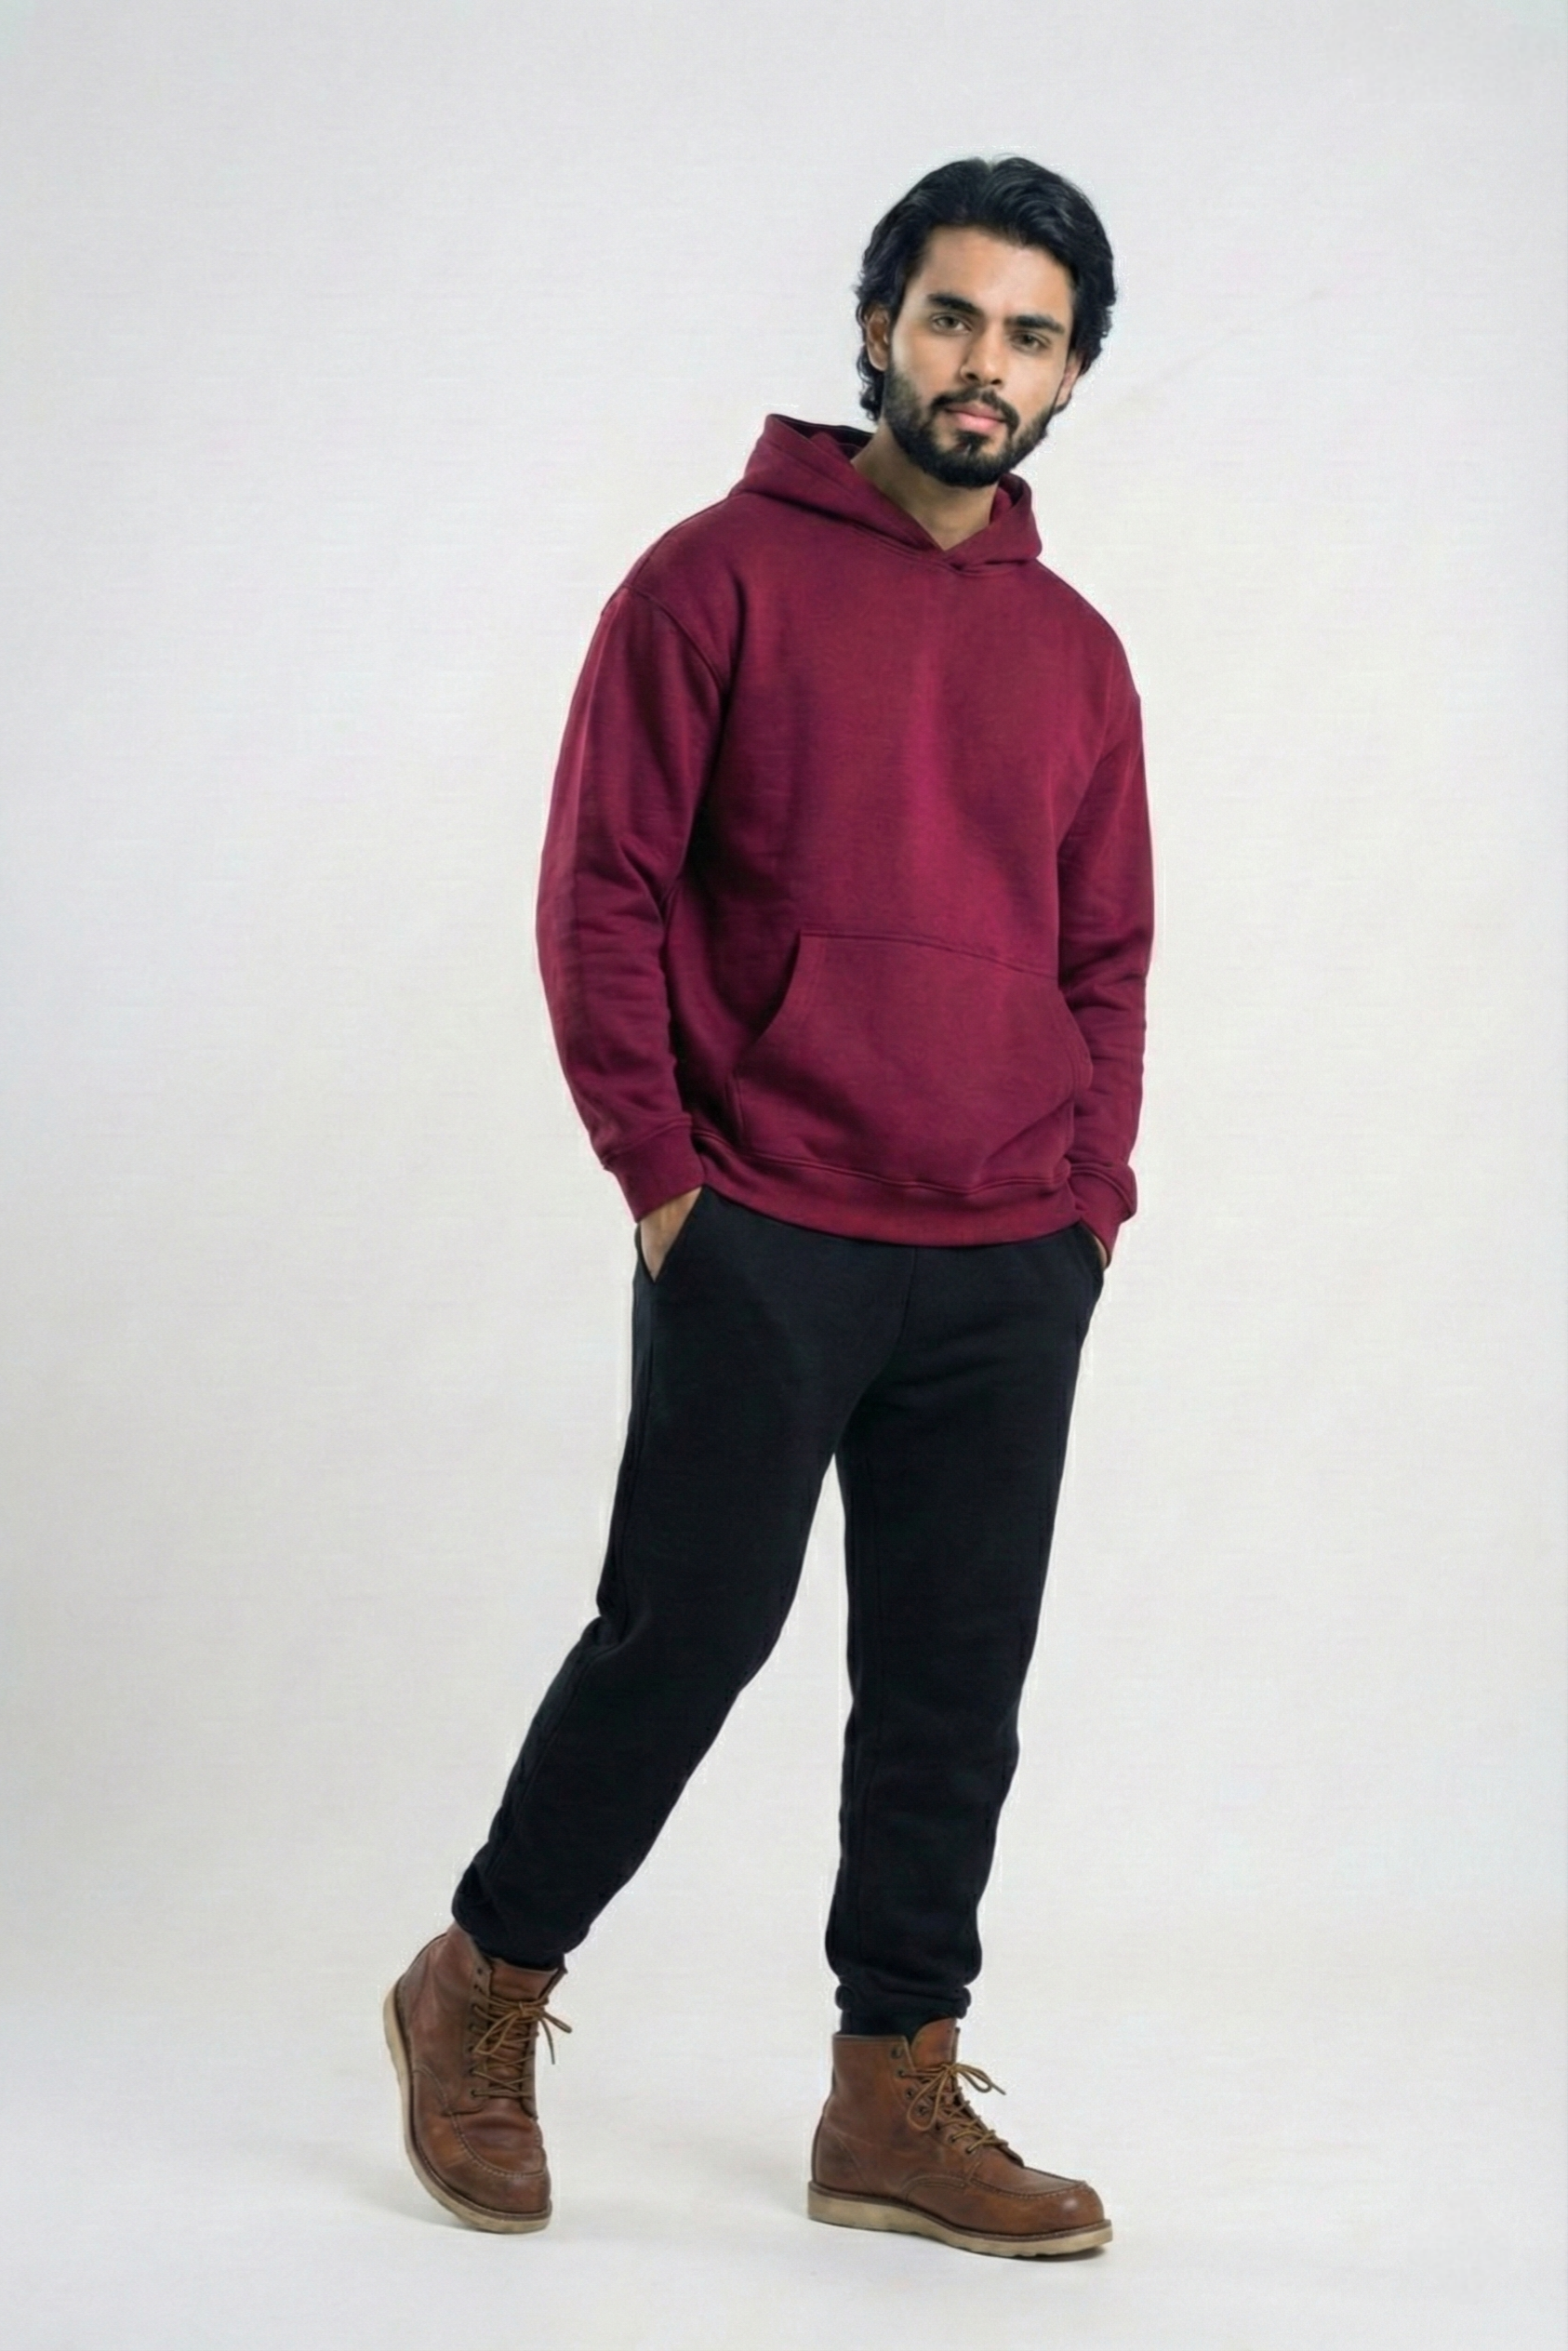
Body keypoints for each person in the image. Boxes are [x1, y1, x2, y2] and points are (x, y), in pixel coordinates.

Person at [385, 152, 1153, 2263]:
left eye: (1029, 336)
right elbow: (601, 891)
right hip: (768, 1224)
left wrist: (1088, 1195)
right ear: (877, 328)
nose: (983, 363)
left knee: (950, 1684)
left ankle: (891, 2086)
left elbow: (1106, 948)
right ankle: (481, 1978)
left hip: (1005, 1246)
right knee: (691, 1631)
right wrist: (664, 1179)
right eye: (951, 316)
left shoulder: (1078, 653)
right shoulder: (709, 582)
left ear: (1071, 373)